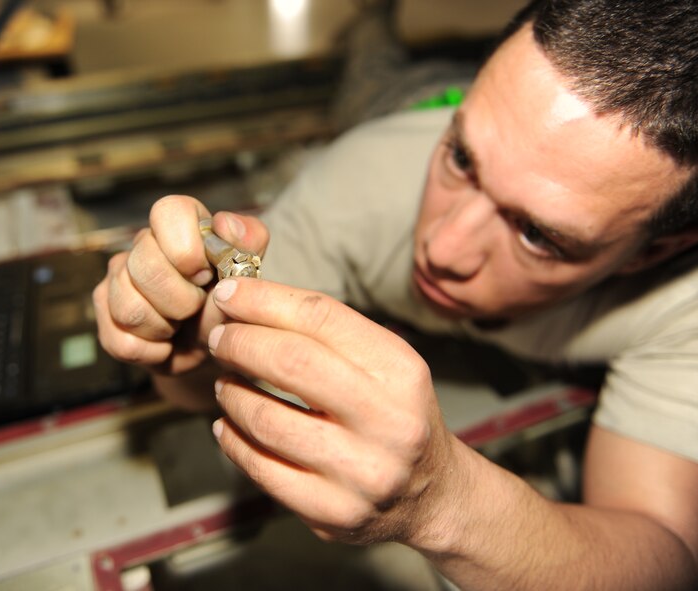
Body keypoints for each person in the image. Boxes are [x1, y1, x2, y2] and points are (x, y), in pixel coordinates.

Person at [93, 0, 698, 588]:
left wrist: (443, 500)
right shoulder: (359, 187)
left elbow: (667, 558)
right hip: (400, 104)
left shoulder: (685, 296)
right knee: (370, 69)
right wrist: (184, 339)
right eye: (461, 157)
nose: (441, 248)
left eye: (537, 234)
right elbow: (197, 378)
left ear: (653, 253)